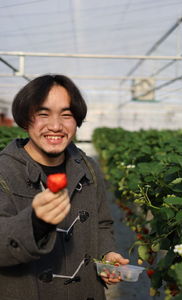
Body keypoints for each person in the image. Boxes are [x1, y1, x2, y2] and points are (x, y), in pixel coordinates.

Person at [0, 74, 129, 300]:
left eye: (66, 115)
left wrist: (107, 254)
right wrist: (35, 222)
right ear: (25, 118)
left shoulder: (89, 168)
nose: (56, 126)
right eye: (43, 114)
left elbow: (102, 224)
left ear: (76, 120)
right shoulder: (4, 172)